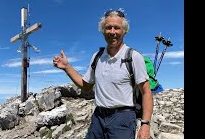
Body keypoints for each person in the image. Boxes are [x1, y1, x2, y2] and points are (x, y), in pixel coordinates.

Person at [53, 9, 153, 139]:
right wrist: (67, 67)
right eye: (108, 28)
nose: (112, 32)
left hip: (123, 119)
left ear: (124, 31)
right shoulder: (97, 57)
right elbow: (86, 86)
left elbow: (146, 92)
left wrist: (145, 125)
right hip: (98, 117)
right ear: (103, 31)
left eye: (117, 28)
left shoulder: (133, 56)